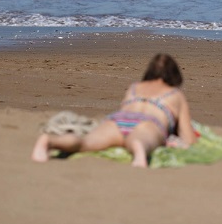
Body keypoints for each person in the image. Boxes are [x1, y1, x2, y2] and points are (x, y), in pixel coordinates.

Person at [31, 53, 196, 168]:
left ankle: (49, 141)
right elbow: (188, 139)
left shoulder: (134, 88)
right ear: (175, 76)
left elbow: (125, 108)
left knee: (85, 143)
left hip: (119, 119)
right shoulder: (175, 94)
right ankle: (139, 152)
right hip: (148, 123)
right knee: (140, 140)